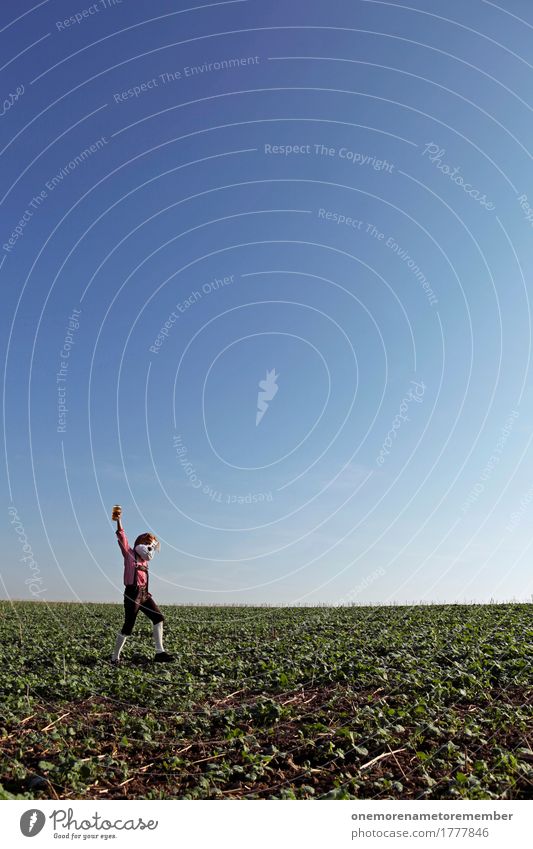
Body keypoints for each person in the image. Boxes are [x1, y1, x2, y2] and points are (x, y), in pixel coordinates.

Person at [110, 505, 174, 665]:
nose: (150, 547)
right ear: (141, 542)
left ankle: (160, 653)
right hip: (132, 594)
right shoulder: (129, 553)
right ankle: (114, 658)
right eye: (148, 543)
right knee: (128, 626)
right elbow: (122, 537)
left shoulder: (145, 560)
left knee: (158, 618)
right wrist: (119, 521)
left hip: (145, 594)